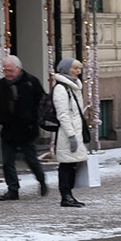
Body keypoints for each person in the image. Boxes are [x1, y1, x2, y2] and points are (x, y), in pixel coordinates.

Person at [0, 55, 48, 201]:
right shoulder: (2, 85)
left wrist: (36, 120)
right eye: (5, 70)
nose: (7, 73)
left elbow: (43, 102)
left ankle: (41, 180)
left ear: (18, 69)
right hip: (8, 129)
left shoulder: (30, 82)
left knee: (31, 159)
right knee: (7, 161)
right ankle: (12, 189)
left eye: (10, 71)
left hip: (27, 129)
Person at [49, 57, 89, 208]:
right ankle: (65, 195)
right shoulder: (61, 88)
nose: (78, 72)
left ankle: (69, 195)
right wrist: (71, 135)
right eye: (75, 69)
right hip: (67, 133)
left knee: (73, 164)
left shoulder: (73, 86)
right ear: (66, 70)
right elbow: (63, 114)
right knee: (66, 165)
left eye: (79, 69)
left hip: (75, 131)